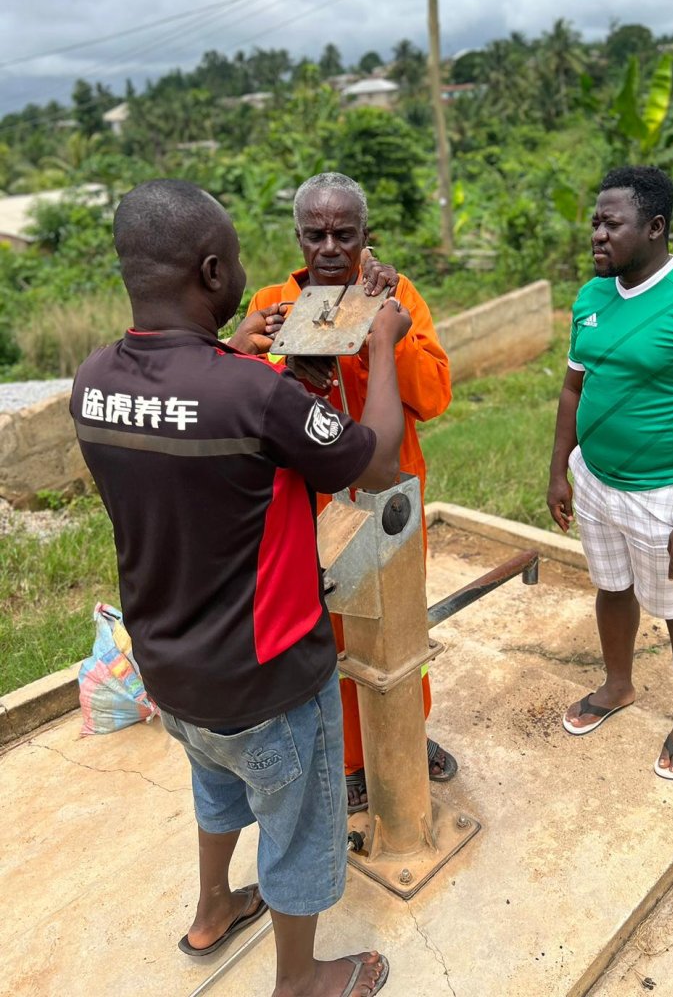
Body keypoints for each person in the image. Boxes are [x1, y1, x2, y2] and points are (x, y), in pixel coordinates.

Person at [71, 178, 403, 997]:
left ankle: (213, 907)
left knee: (217, 783)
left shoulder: (93, 380)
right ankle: (301, 980)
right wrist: (384, 342)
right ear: (214, 272)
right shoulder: (253, 392)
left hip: (171, 670)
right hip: (268, 675)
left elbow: (192, 416)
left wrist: (241, 356)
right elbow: (377, 462)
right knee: (299, 829)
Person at [246, 172, 455, 813]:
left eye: (345, 234)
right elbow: (248, 403)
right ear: (299, 238)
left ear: (367, 236)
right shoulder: (273, 304)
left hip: (390, 496)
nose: (331, 248)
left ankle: (407, 731)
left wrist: (384, 334)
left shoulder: (398, 295)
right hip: (310, 506)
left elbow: (434, 396)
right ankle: (353, 759)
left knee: (398, 621)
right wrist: (286, 363)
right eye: (316, 235)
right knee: (332, 631)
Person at [547, 165, 673, 781]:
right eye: (595, 223)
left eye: (612, 224)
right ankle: (618, 684)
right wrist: (559, 472)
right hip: (596, 480)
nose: (597, 235)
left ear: (655, 227)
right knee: (611, 587)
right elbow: (573, 389)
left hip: (667, 493)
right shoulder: (591, 296)